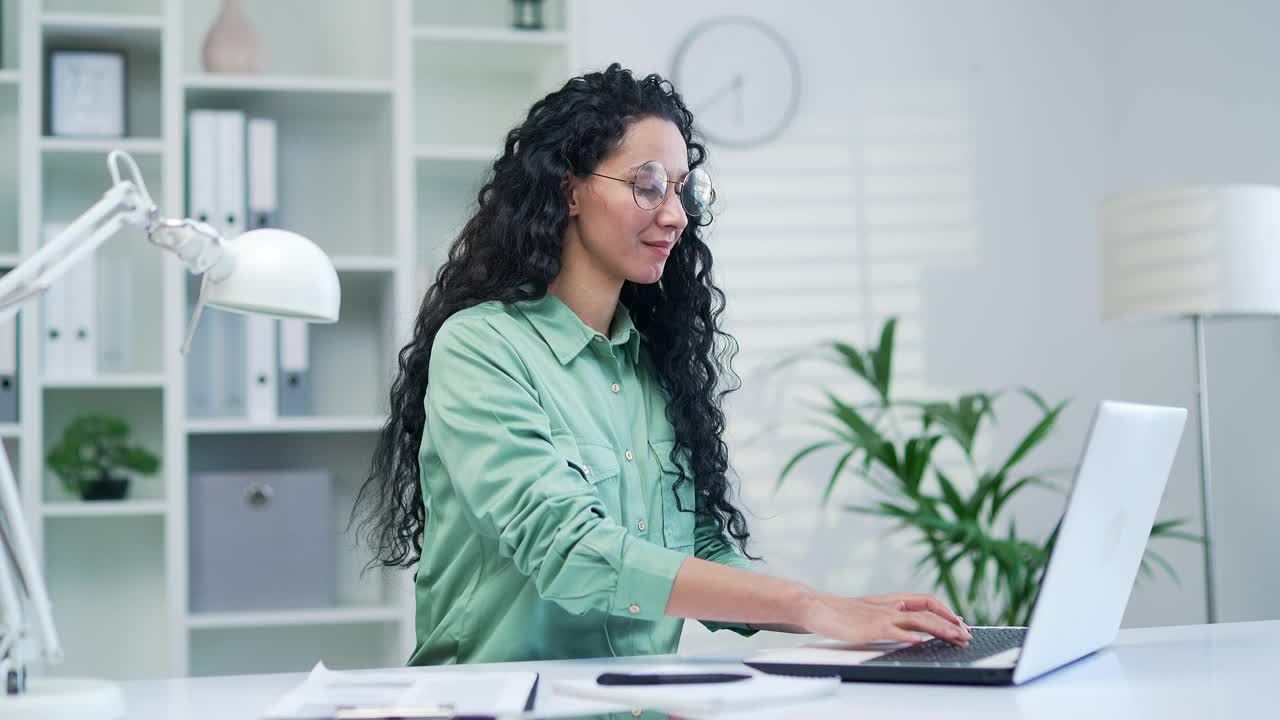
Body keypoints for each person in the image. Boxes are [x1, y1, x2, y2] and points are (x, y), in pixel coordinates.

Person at [352, 63, 971, 665]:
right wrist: (807, 605)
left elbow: (697, 545)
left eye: (682, 189)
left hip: (633, 702)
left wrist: (840, 611)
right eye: (647, 184)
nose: (674, 214)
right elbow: (569, 550)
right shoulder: (482, 347)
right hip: (500, 705)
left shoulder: (651, 364)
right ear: (569, 188)